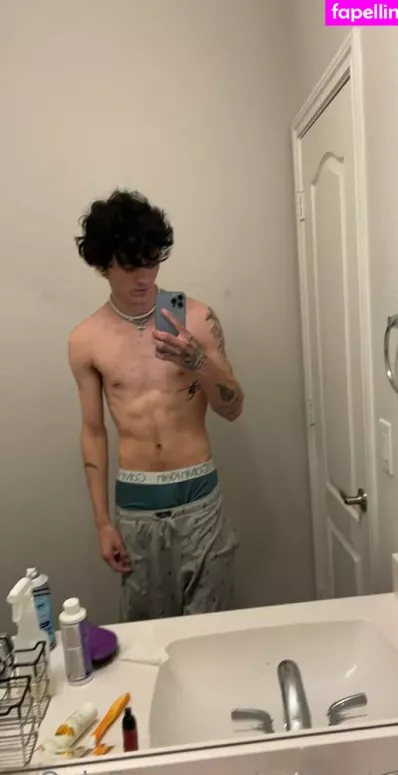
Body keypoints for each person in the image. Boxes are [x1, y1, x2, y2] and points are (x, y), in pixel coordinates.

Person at [68, 189, 243, 621]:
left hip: (200, 498)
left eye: (152, 262)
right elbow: (93, 431)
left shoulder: (196, 319)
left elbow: (233, 407)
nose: (144, 277)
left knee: (212, 634)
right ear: (103, 265)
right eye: (130, 266)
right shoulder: (86, 340)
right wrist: (102, 522)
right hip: (136, 507)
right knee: (148, 637)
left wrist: (198, 363)